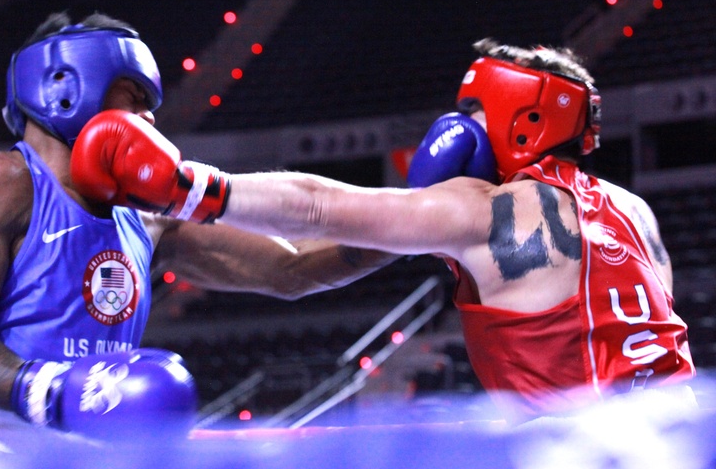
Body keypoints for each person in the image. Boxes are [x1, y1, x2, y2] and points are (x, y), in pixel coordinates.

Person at [73, 38, 696, 423]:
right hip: (687, 441)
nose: (459, 127)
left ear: (520, 118)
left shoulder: (484, 208)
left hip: (585, 455)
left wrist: (184, 186)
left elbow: (318, 206)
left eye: (474, 113)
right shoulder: (635, 213)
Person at [0, 11, 397, 464]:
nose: (149, 118)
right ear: (66, 87)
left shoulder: (147, 211)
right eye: (134, 96)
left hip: (94, 462)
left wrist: (414, 227)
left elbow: (291, 268)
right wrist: (51, 391)